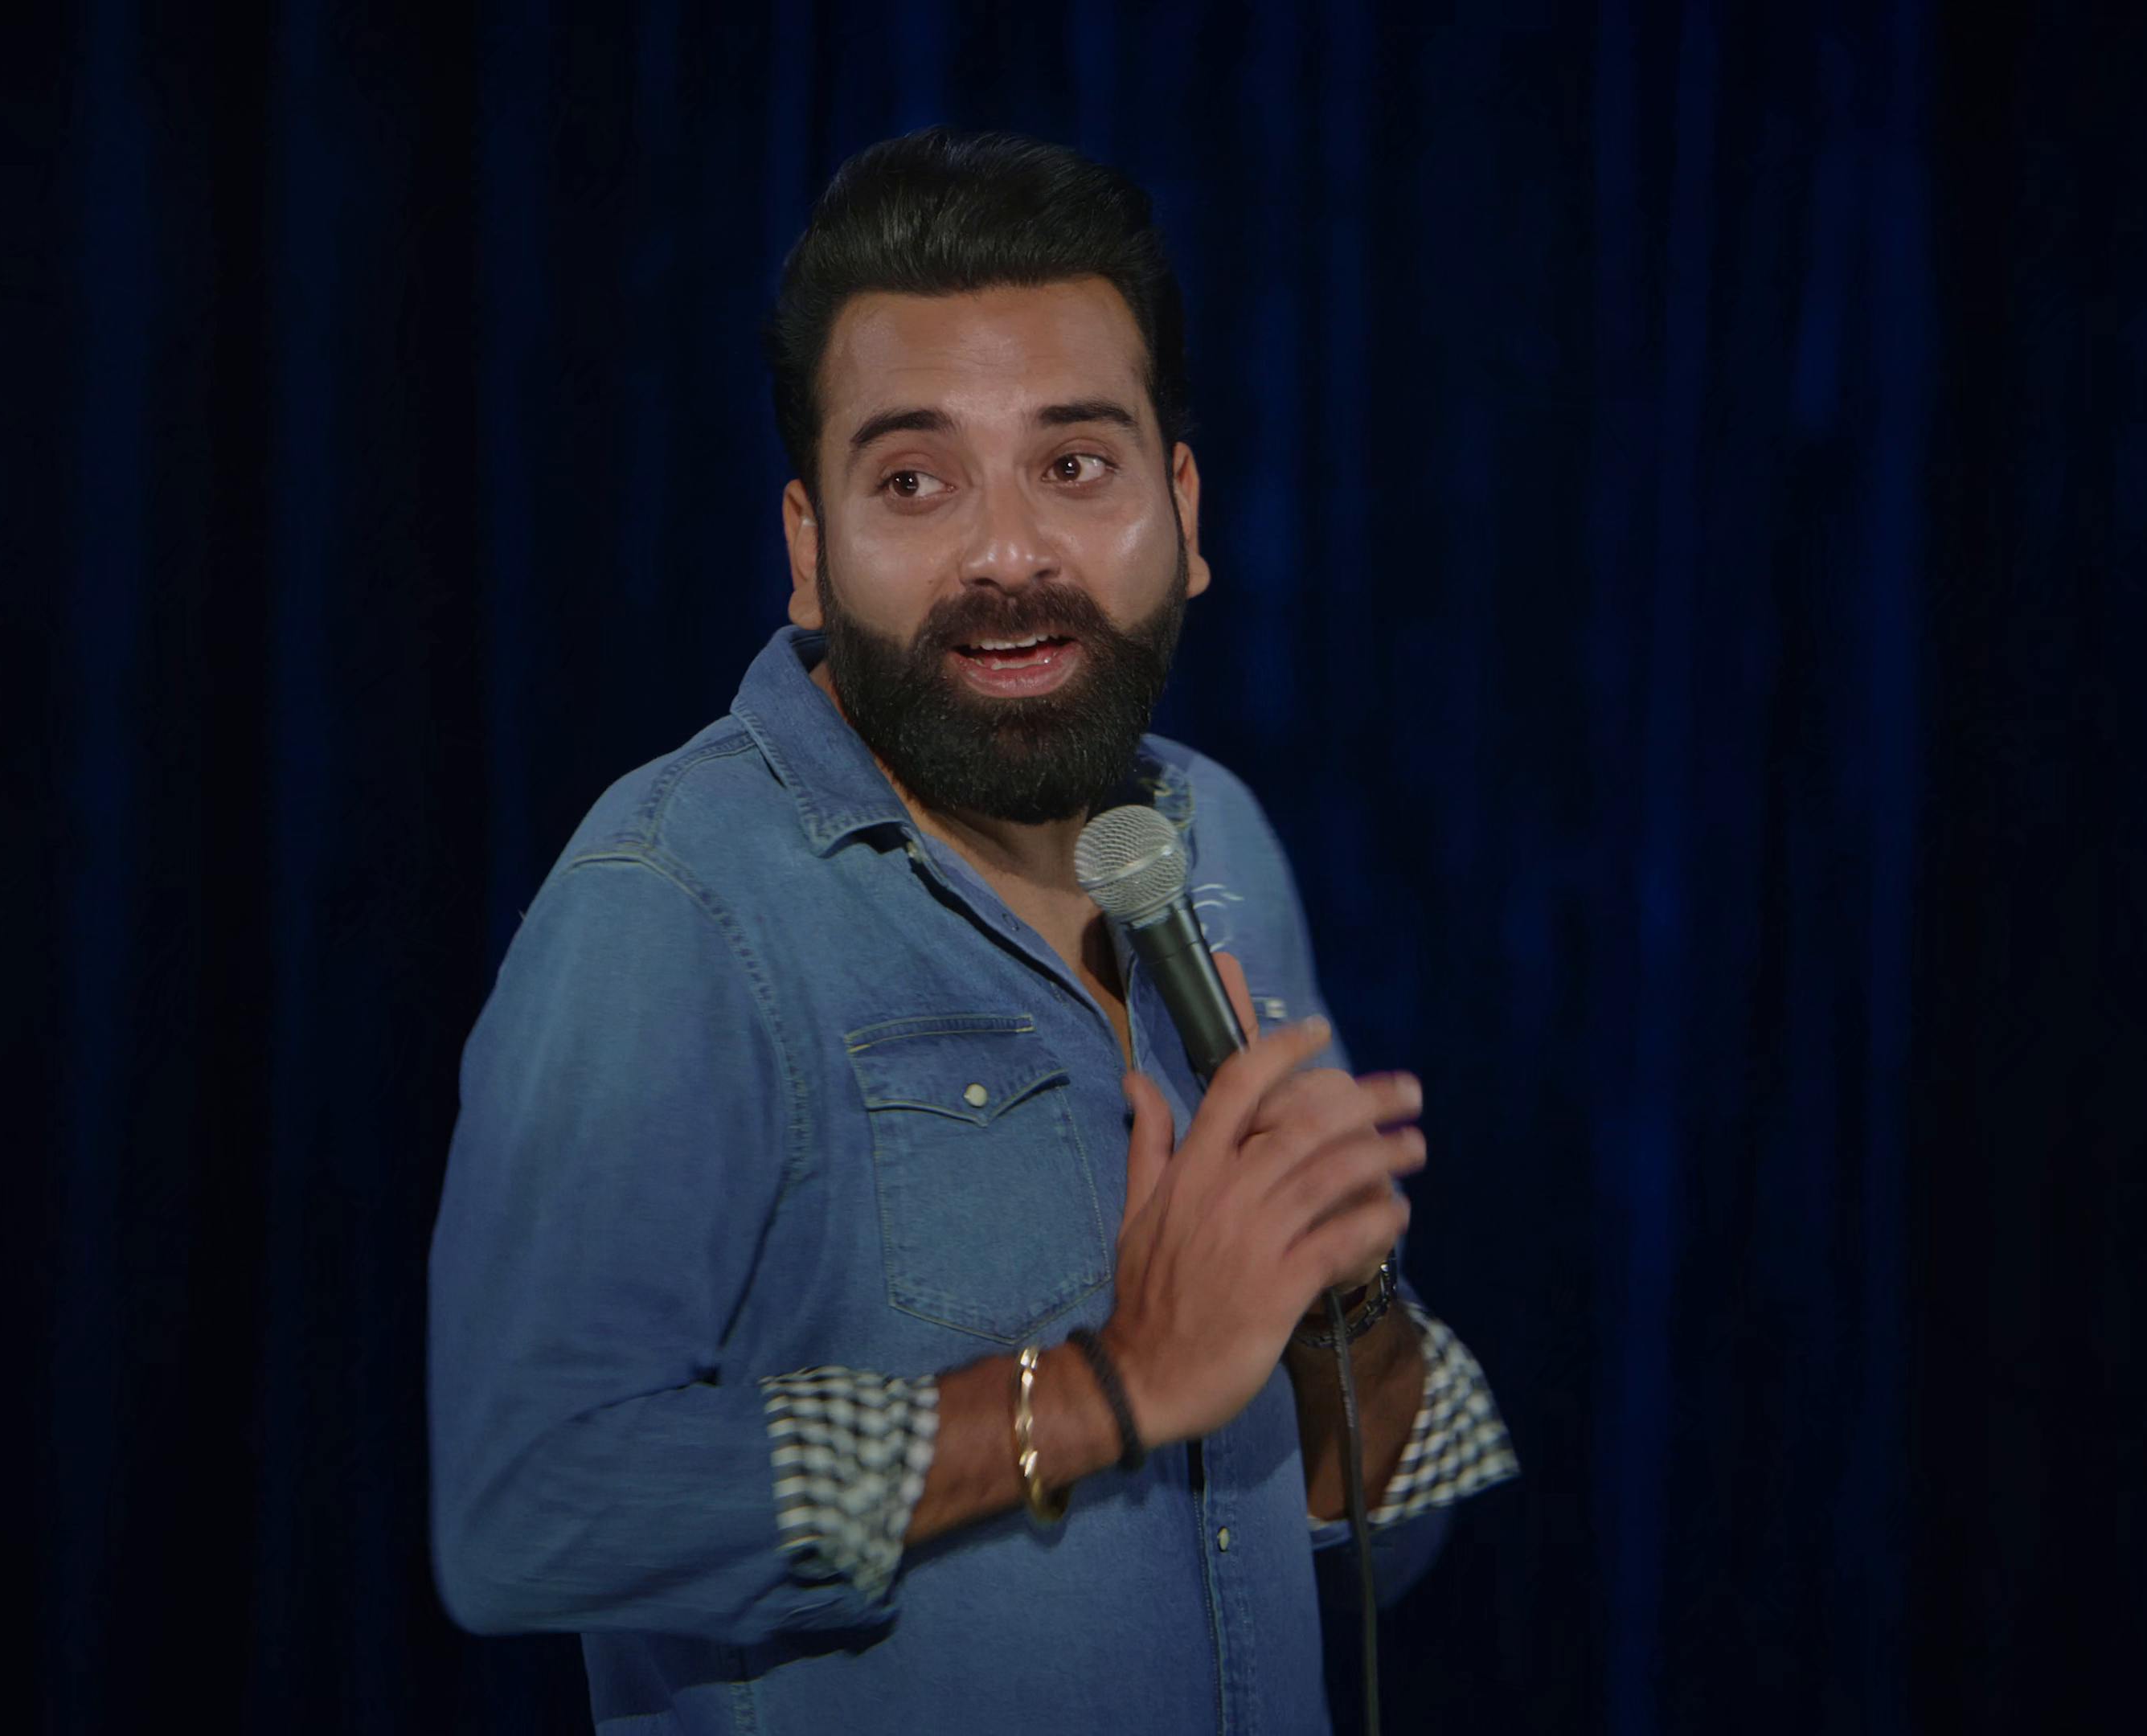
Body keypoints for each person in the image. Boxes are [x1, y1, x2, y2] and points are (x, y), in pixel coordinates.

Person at [428, 127, 1516, 1734]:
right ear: (809, 551)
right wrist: (1108, 1389)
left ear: (1183, 507)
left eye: (1074, 465)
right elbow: (528, 1511)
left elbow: (1375, 1551)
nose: (1008, 554)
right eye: (914, 482)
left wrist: (1346, 1322)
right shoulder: (673, 902)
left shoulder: (1217, 841)